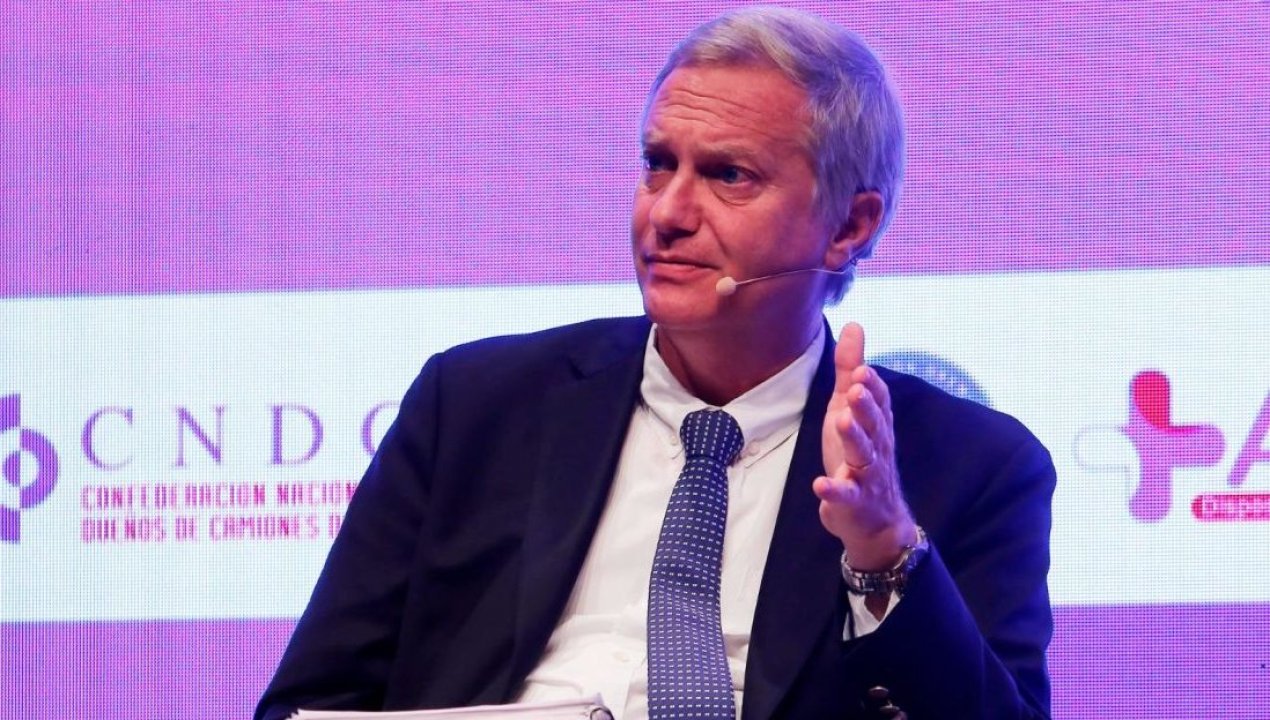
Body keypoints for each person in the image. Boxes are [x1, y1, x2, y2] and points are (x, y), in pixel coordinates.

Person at [257, 7, 1054, 719]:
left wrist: (882, 550)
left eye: (728, 175)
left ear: (849, 226)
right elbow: (309, 705)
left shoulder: (971, 466)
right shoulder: (473, 408)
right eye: (658, 164)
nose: (666, 213)